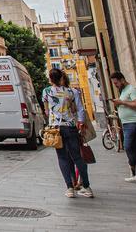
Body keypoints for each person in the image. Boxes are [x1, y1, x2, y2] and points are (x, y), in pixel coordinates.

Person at [43, 67, 93, 198]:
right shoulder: (73, 91)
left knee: (62, 157)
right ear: (61, 78)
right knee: (77, 157)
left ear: (50, 79)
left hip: (55, 129)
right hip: (70, 126)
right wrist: (81, 123)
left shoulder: (46, 92)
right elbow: (79, 110)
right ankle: (87, 186)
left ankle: (70, 188)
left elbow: (47, 111)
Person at [110, 71, 136, 184]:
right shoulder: (124, 91)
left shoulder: (132, 90)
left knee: (128, 147)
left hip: (135, 122)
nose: (115, 85)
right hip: (128, 123)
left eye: (116, 83)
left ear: (122, 80)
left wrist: (122, 102)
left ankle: (133, 167)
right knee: (135, 149)